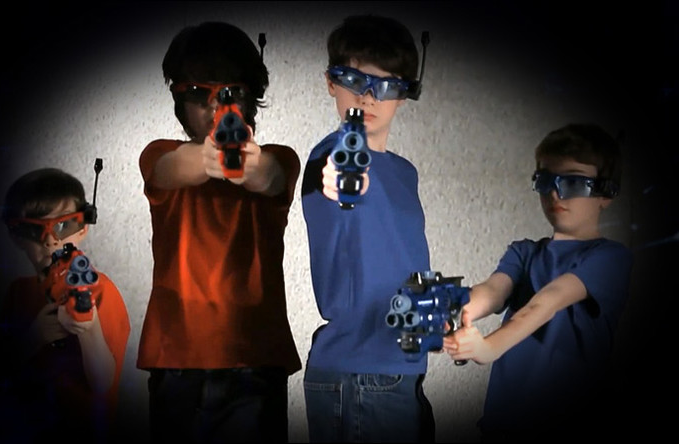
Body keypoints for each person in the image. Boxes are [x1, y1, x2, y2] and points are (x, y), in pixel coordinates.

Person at [137, 22, 301, 443]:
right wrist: (211, 158)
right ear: (179, 98)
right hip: (177, 355)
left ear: (249, 96)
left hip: (254, 357)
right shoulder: (161, 153)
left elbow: (269, 175)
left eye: (230, 92)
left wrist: (245, 163)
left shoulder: (280, 158)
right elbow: (171, 168)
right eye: (198, 93)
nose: (214, 106)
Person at [443, 123, 632, 441]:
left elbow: (548, 301)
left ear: (606, 193)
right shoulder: (524, 252)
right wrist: (453, 312)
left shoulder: (610, 257)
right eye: (545, 181)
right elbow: (492, 291)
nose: (555, 194)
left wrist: (489, 347)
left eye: (574, 182)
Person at [301, 15, 435, 443]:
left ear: (405, 94)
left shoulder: (405, 172)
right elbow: (340, 172)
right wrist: (343, 179)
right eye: (354, 80)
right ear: (331, 82)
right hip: (359, 372)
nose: (369, 96)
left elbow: (402, 263)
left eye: (386, 85)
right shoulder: (331, 154)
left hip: (402, 369)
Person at [0, 167, 130, 443]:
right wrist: (35, 337)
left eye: (63, 225)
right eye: (34, 229)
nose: (50, 240)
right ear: (15, 235)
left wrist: (89, 328)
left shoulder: (100, 290)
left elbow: (103, 382)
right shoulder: (18, 293)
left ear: (83, 228)